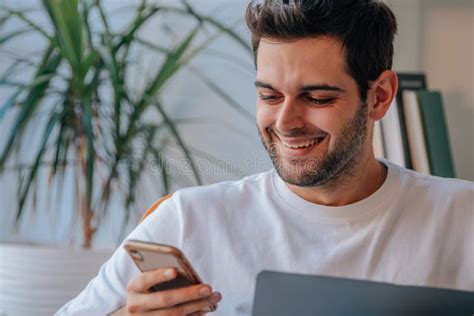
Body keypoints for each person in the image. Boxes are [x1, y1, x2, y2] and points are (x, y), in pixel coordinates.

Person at [57, 0, 474, 315]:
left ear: (379, 96)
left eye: (317, 97)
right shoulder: (188, 220)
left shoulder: (461, 217)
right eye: (269, 95)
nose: (285, 121)